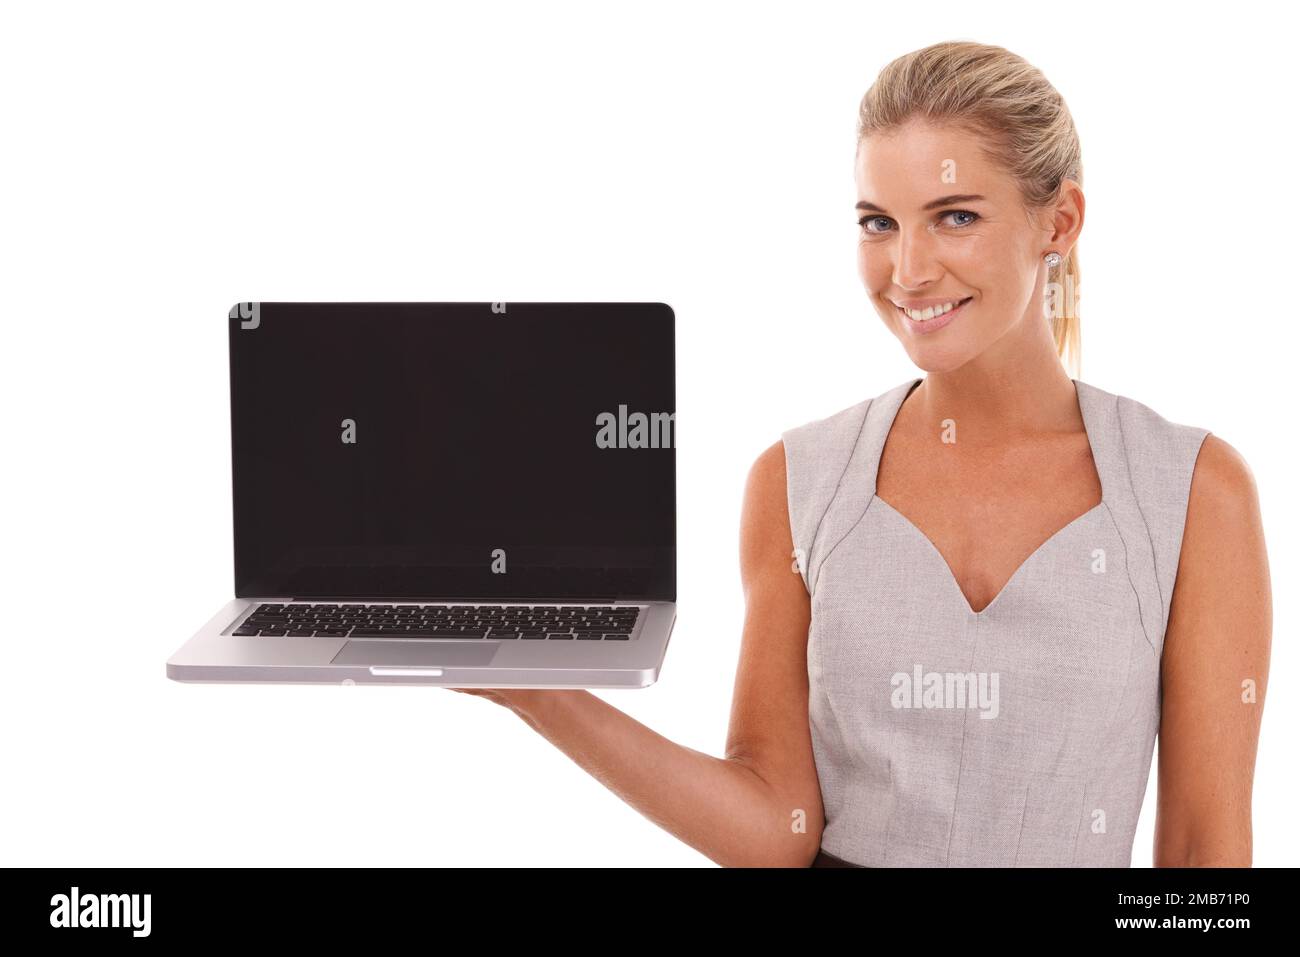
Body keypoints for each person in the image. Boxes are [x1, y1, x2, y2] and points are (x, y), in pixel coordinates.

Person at [449, 40, 1271, 868]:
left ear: (1058, 222)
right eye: (879, 223)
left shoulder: (1191, 491)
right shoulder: (799, 481)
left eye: (956, 216)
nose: (907, 270)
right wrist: (534, 687)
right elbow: (777, 828)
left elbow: (1207, 855)